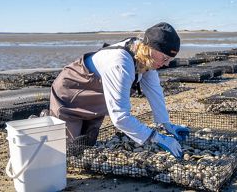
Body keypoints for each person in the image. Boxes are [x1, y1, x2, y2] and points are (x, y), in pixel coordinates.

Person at [49, 22, 189, 159]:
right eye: (165, 58)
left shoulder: (146, 58)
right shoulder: (120, 64)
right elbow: (120, 117)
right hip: (71, 92)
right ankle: (47, 118)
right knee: (67, 152)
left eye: (169, 59)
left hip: (96, 101)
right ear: (149, 48)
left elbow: (155, 91)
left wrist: (166, 124)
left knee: (85, 145)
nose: (166, 63)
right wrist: (155, 138)